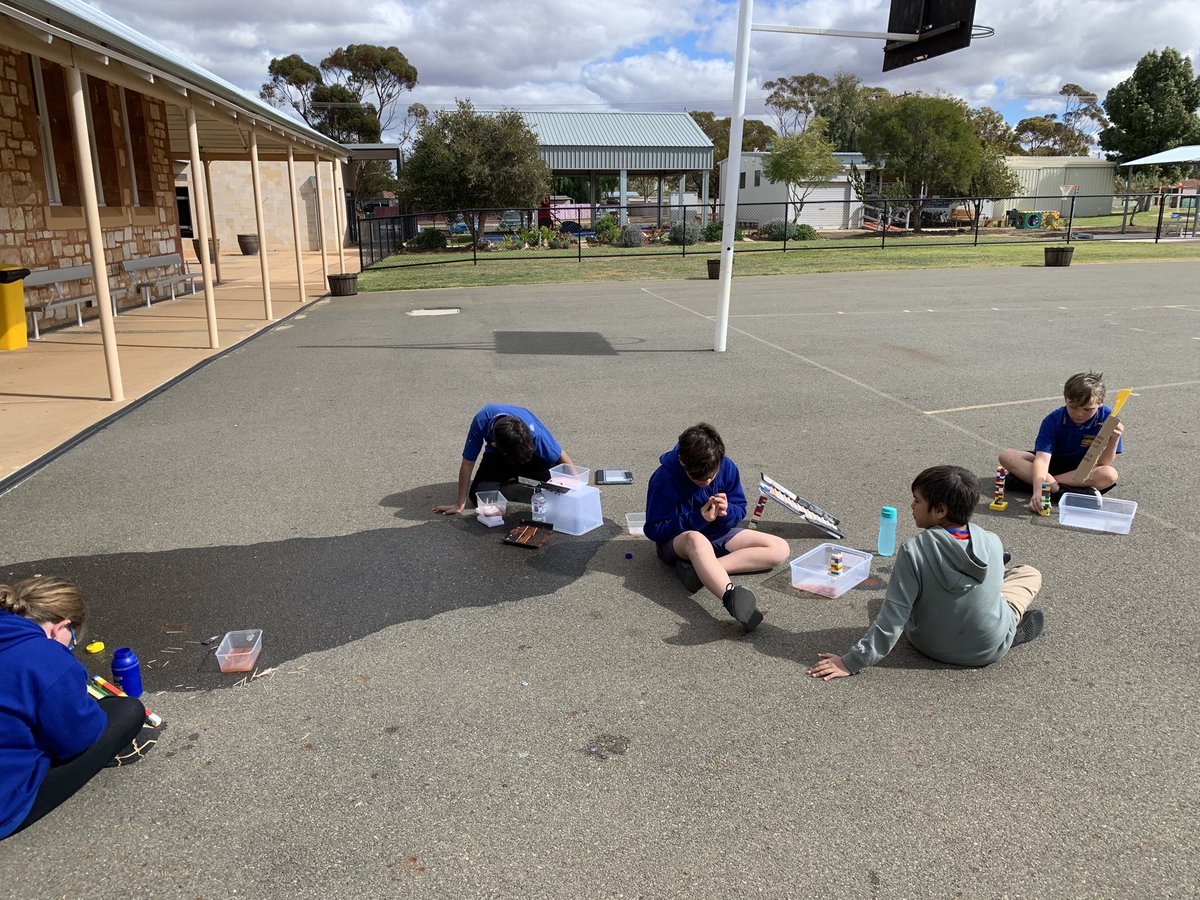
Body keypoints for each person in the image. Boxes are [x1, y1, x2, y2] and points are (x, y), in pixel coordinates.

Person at [808, 466, 1044, 681]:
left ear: (940, 510)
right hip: (987, 649)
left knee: (888, 602)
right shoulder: (992, 540)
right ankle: (1008, 632)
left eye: (917, 501)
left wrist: (851, 661)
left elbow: (894, 615)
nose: (911, 506)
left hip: (928, 643)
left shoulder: (914, 549)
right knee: (1028, 573)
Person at [0, 576, 146, 839]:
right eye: (72, 640)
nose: (71, 646)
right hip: (5, 804)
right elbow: (77, 741)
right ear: (62, 627)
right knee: (127, 711)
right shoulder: (46, 658)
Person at [645, 423, 790, 633]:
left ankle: (701, 571)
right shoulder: (664, 479)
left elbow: (740, 510)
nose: (707, 482)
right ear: (683, 462)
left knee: (779, 549)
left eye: (711, 476)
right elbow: (654, 530)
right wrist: (697, 518)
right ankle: (729, 596)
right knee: (696, 539)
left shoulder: (727, 467)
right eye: (699, 479)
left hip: (717, 533)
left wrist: (727, 511)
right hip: (680, 541)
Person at [999, 371, 1124, 514]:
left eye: (1088, 409)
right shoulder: (1054, 419)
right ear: (1065, 399)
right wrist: (1038, 491)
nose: (1079, 414)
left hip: (1080, 471)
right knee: (1007, 456)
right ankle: (1059, 491)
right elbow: (1042, 460)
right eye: (1073, 407)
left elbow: (1104, 464)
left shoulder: (1109, 419)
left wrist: (1114, 440)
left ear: (1100, 403)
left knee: (1109, 474)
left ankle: (1032, 483)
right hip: (1052, 464)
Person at [433, 404, 573, 515]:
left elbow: (562, 456)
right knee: (478, 497)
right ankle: (510, 475)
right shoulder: (482, 420)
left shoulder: (536, 434)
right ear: (494, 444)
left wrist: (576, 484)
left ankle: (516, 475)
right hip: (498, 458)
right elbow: (467, 463)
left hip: (528, 456)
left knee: (559, 483)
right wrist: (459, 503)